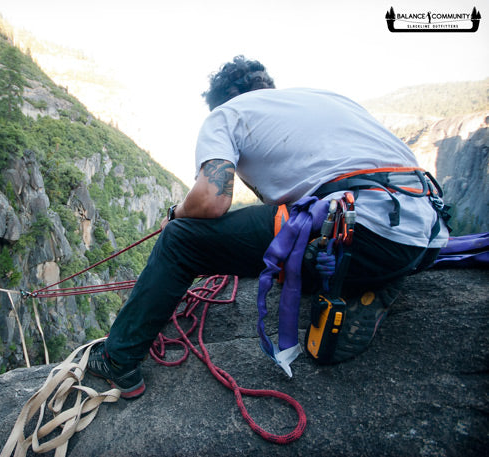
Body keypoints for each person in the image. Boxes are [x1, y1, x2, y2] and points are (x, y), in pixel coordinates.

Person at [87, 55, 449, 399]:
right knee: (292, 239)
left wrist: (176, 212)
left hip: (354, 229)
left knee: (180, 240)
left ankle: (118, 360)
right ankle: (375, 279)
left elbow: (212, 200)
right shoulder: (327, 98)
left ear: (223, 100)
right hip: (424, 236)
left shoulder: (227, 115)